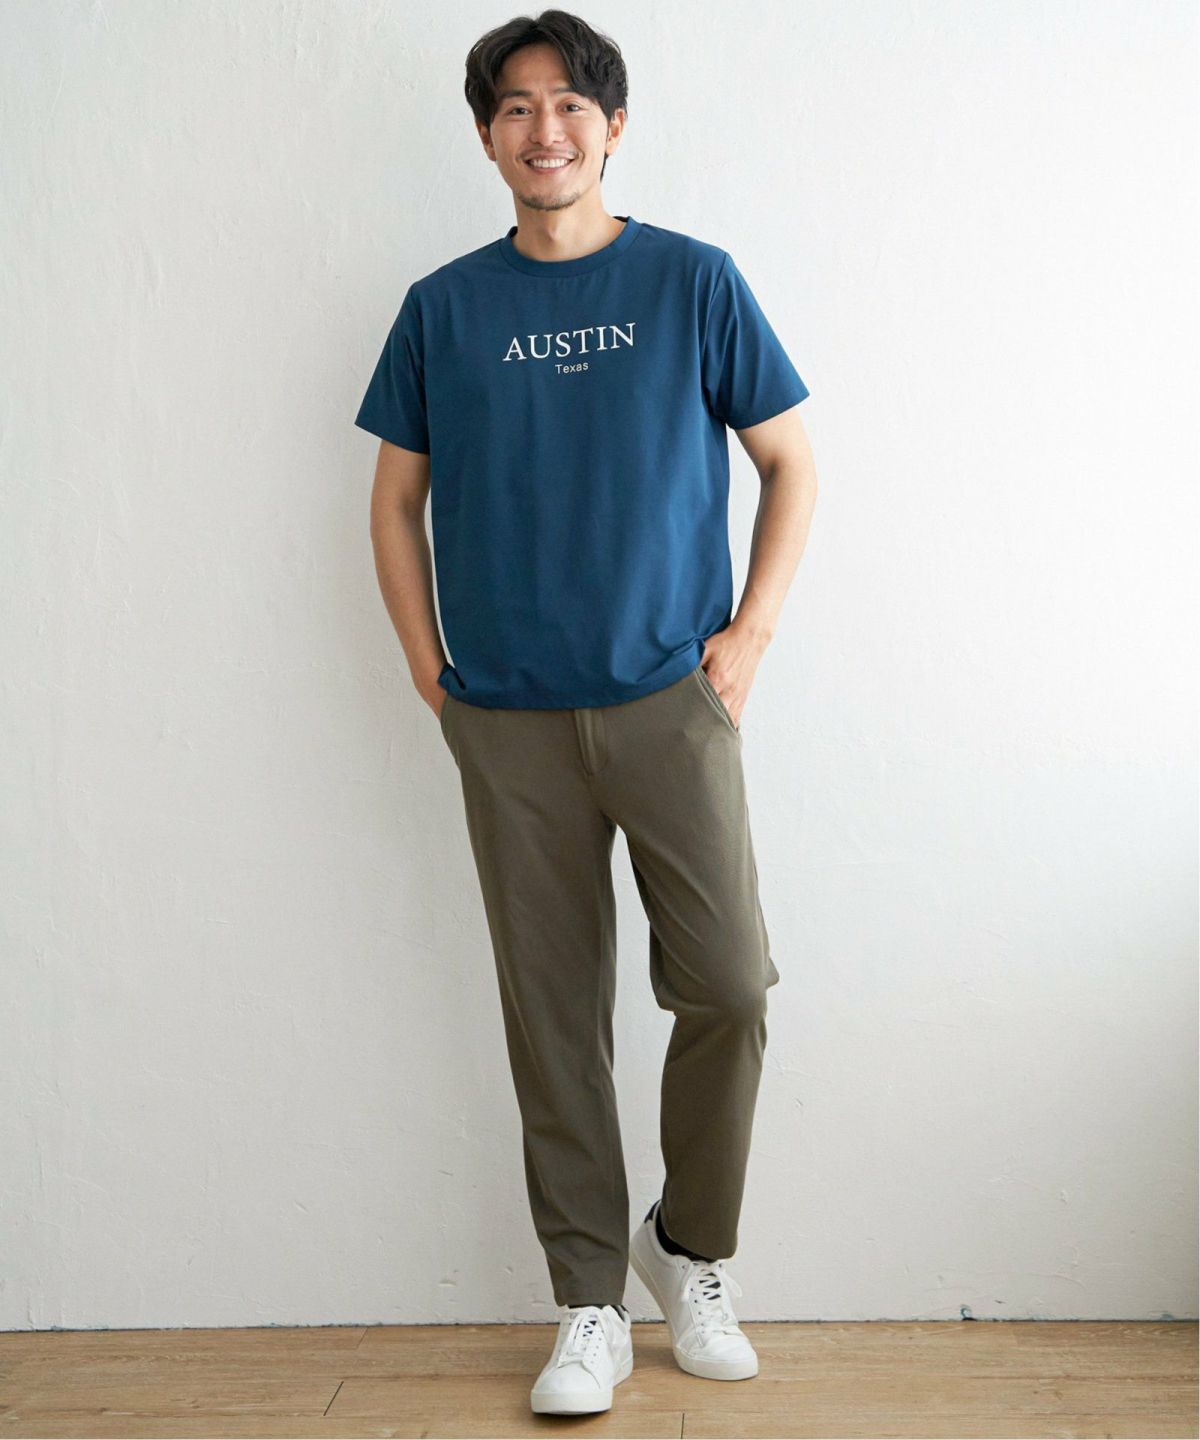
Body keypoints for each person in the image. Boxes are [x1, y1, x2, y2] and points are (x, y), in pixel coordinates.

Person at [355, 8, 818, 1418]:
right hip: (507, 718)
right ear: (487, 135)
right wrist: (431, 674)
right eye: (514, 107)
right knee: (554, 1017)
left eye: (568, 104)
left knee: (728, 986)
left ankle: (690, 1248)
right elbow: (393, 501)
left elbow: (791, 462)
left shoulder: (693, 281)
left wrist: (746, 639)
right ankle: (587, 1300)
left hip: (673, 701)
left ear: (612, 127)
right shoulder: (443, 308)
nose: (542, 128)